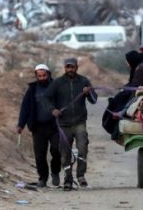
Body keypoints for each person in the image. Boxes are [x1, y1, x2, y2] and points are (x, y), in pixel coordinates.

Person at [41, 58, 98, 190]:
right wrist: (53, 110)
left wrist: (88, 92)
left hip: (79, 122)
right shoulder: (57, 83)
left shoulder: (84, 81)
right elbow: (46, 98)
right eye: (67, 67)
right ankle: (68, 179)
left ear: (77, 67)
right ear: (64, 68)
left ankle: (81, 176)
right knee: (65, 152)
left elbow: (94, 100)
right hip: (64, 124)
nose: (70, 69)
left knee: (82, 147)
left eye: (72, 67)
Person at [15, 64, 61, 188]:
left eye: (44, 75)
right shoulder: (32, 89)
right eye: (39, 76)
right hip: (38, 127)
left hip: (55, 126)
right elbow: (25, 108)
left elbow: (65, 101)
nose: (41, 78)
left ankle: (55, 172)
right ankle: (43, 178)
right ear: (36, 76)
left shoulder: (56, 86)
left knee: (56, 150)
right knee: (40, 154)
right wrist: (21, 124)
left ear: (48, 74)